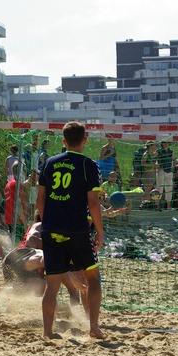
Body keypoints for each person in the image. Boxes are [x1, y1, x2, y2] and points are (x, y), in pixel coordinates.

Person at [36, 122, 104, 339]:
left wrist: (48, 223)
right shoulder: (88, 165)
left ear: (63, 141)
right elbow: (93, 202)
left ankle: (47, 332)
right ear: (85, 140)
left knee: (52, 286)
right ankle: (94, 327)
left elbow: (40, 201)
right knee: (93, 279)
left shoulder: (49, 163)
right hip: (78, 230)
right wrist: (100, 231)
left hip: (52, 229)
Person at [155, 142, 174, 209]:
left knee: (169, 188)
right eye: (164, 143)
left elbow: (173, 160)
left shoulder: (171, 151)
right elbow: (155, 159)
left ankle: (168, 206)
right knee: (159, 188)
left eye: (167, 143)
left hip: (169, 171)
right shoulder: (158, 151)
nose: (166, 144)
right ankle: (157, 205)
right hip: (161, 170)